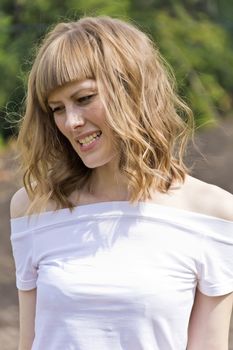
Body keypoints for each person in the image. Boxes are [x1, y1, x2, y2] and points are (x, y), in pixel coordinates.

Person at [10, 15, 233, 350]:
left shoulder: (212, 213)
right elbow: (29, 342)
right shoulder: (33, 209)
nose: (71, 122)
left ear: (133, 89)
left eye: (84, 98)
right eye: (57, 108)